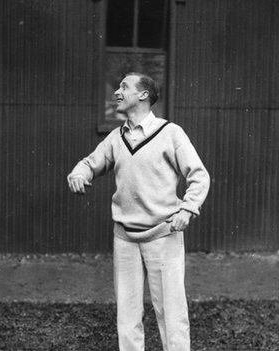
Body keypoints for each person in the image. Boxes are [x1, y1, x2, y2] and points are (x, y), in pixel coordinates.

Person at [67, 72, 210, 351]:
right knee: (127, 316)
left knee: (171, 313)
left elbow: (199, 175)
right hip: (125, 239)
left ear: (143, 95)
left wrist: (188, 207)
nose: (117, 92)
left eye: (124, 87)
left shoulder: (170, 133)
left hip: (163, 234)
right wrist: (78, 173)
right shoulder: (115, 138)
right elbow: (91, 163)